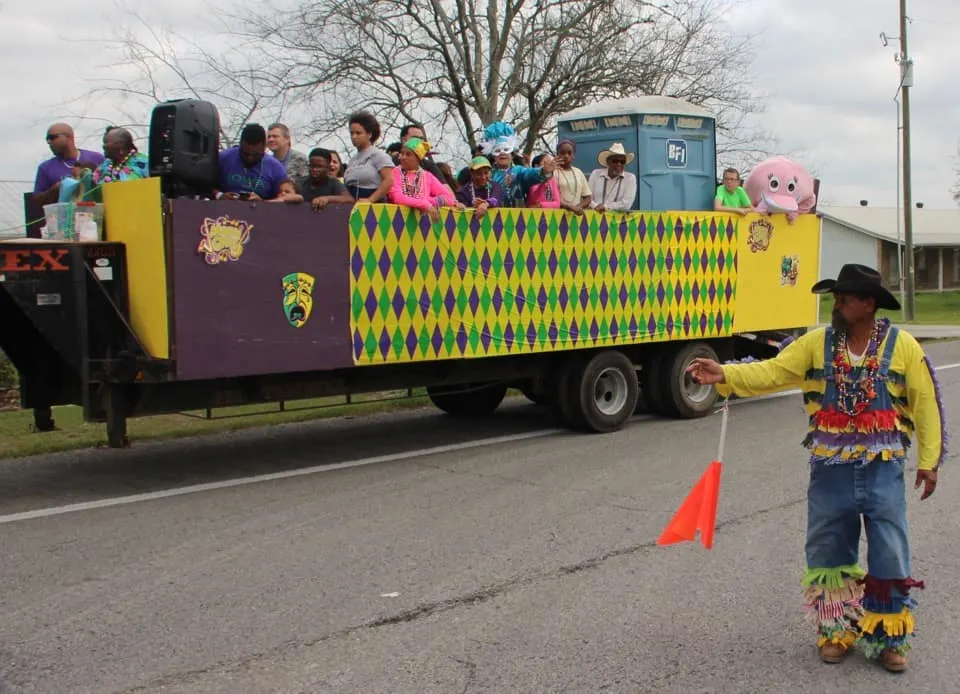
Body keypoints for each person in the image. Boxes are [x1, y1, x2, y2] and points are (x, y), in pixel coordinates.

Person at [686, 264, 945, 674]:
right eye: (835, 298)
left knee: (891, 553)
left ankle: (889, 637)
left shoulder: (904, 346)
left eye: (844, 299)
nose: (836, 305)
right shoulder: (815, 344)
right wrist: (726, 373)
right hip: (830, 472)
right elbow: (773, 372)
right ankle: (835, 631)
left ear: (868, 304)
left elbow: (926, 403)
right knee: (827, 551)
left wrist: (929, 462)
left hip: (883, 471)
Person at [479, 121, 555, 208]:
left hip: (518, 218)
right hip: (493, 217)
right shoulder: (488, 174)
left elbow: (529, 174)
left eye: (506, 149)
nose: (502, 153)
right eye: (498, 150)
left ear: (512, 154)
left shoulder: (519, 171)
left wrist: (543, 171)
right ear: (493, 156)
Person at [387, 137, 460, 223]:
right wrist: (425, 204)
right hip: (395, 223)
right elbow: (398, 198)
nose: (403, 157)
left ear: (418, 158)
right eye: (401, 154)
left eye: (408, 154)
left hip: (422, 228)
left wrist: (428, 201)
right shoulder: (394, 172)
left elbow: (449, 198)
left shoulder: (427, 176)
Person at [32, 122, 105, 205]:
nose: (49, 142)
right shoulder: (45, 167)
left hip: (96, 214)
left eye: (52, 137)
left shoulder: (97, 158)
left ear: (69, 137)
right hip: (63, 215)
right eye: (47, 139)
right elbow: (36, 200)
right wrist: (55, 189)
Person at [218, 123, 288, 200]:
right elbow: (205, 186)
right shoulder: (223, 158)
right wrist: (220, 196)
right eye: (245, 154)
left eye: (256, 155)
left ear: (264, 147)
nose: (250, 158)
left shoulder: (276, 168)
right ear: (240, 144)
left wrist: (263, 203)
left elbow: (286, 198)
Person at [344, 111, 394, 201]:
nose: (354, 137)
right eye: (352, 133)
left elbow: (389, 180)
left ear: (369, 134)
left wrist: (370, 200)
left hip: (374, 207)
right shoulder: (352, 160)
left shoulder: (379, 155)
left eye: (358, 133)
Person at [588, 143, 637, 212]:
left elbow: (626, 204)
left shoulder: (630, 178)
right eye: (615, 161)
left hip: (617, 220)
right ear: (608, 162)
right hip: (595, 217)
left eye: (622, 161)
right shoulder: (595, 174)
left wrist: (605, 207)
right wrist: (595, 206)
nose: (619, 164)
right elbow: (587, 197)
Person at [554, 139, 592, 214]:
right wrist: (569, 207)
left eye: (569, 153)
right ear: (557, 154)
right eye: (562, 153)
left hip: (575, 216)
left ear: (573, 156)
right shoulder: (553, 172)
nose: (566, 156)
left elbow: (587, 198)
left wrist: (579, 207)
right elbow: (550, 198)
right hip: (556, 216)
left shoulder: (578, 172)